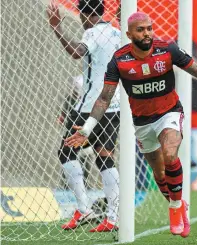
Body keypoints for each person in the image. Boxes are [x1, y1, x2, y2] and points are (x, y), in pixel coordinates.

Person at [64, 12, 197, 237]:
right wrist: (88, 128)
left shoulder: (167, 49)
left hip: (169, 113)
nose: (147, 33)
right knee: (159, 174)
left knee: (170, 155)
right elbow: (104, 98)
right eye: (141, 30)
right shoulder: (119, 60)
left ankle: (176, 208)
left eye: (149, 28)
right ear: (129, 34)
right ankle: (178, 204)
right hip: (142, 123)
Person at [47, 0, 121, 232]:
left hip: (89, 106)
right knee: (104, 157)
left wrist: (56, 27)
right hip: (114, 105)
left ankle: (84, 208)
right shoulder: (117, 33)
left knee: (66, 152)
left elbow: (77, 52)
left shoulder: (92, 32)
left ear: (82, 13)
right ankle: (113, 217)